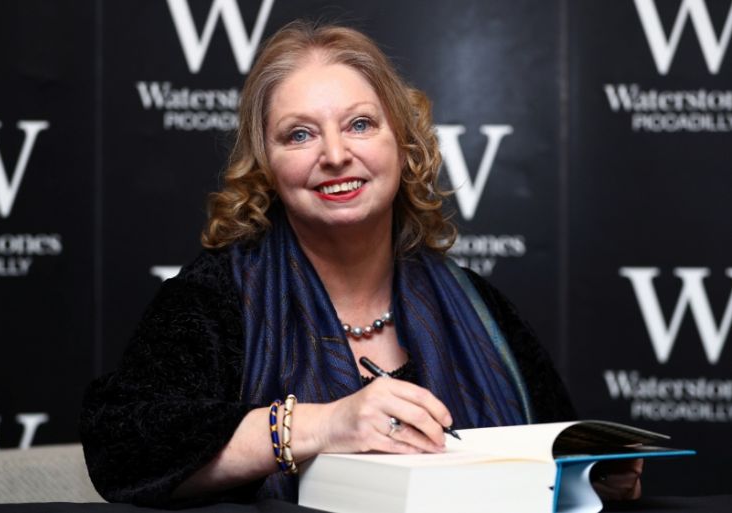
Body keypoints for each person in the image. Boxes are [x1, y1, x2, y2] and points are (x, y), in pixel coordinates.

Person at [80, 20, 638, 507]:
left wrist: (595, 477)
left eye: (360, 124)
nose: (335, 155)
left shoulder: (478, 306)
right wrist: (324, 424)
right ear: (266, 165)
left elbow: (555, 450)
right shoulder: (215, 297)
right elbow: (123, 450)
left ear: (403, 143)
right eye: (300, 134)